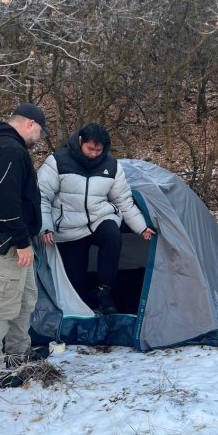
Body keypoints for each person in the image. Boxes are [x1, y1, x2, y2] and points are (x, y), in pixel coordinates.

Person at [37, 123, 155, 314]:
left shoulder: (111, 165)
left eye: (98, 150)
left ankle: (104, 292)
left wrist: (141, 227)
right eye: (90, 149)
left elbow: (123, 200)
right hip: (69, 226)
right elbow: (41, 196)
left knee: (112, 234)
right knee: (75, 281)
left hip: (99, 218)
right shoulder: (57, 162)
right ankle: (82, 306)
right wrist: (46, 227)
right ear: (80, 141)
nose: (94, 154)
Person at [0, 102, 48, 388]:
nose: (38, 138)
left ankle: (18, 353)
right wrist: (21, 241)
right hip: (4, 245)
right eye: (39, 132)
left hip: (14, 242)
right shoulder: (10, 151)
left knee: (26, 298)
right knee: (2, 307)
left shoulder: (3, 146)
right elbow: (7, 202)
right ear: (30, 124)